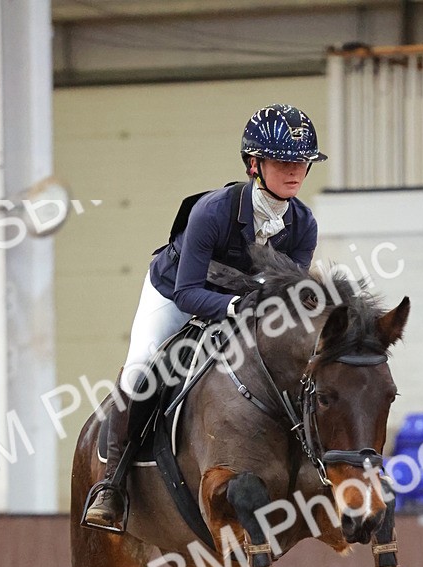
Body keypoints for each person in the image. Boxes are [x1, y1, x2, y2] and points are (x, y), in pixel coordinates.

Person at [83, 102, 327, 531]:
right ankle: (111, 486)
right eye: (283, 162)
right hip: (177, 292)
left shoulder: (303, 223)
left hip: (246, 305)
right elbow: (188, 291)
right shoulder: (212, 211)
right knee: (141, 368)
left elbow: (288, 296)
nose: (294, 172)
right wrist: (235, 309)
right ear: (255, 164)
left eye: (302, 164)